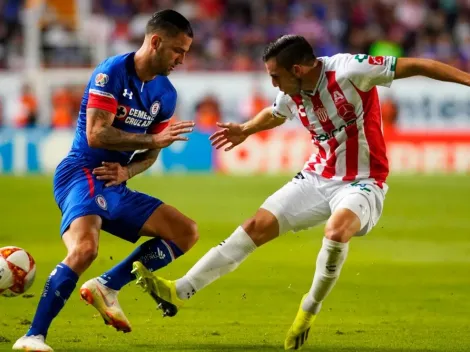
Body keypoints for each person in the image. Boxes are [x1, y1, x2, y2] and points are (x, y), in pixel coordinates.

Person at [131, 34, 470, 350]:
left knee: (337, 231)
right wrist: (246, 129)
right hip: (315, 177)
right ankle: (180, 291)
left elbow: (420, 65)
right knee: (253, 228)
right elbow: (277, 113)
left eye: (275, 76)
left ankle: (309, 307)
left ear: (297, 69)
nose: (273, 83)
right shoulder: (291, 88)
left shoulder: (352, 70)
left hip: (363, 181)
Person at [13, 9, 197, 352]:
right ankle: (32, 336)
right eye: (178, 50)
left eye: (185, 52)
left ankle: (108, 285)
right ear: (155, 42)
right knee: (85, 249)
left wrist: (128, 170)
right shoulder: (112, 72)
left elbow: (152, 153)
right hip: (80, 173)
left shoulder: (166, 95)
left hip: (114, 183)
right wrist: (152, 141)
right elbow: (97, 134)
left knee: (185, 232)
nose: (182, 60)